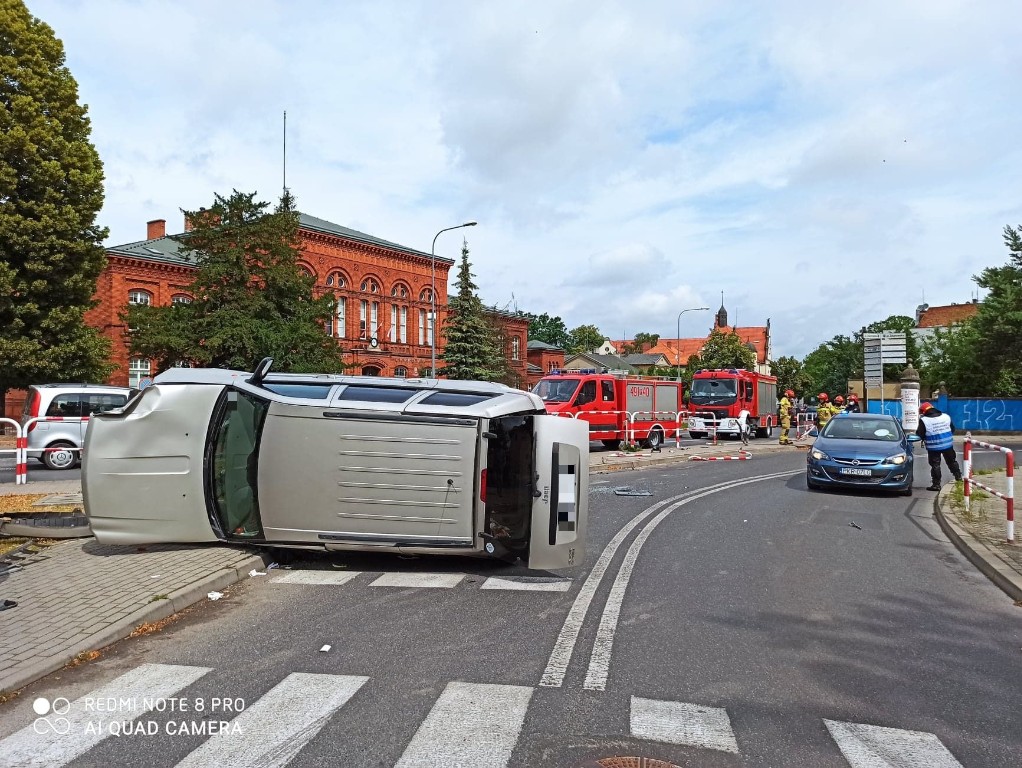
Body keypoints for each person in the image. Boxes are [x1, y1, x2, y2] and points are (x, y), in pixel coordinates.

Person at [916, 401, 962, 491]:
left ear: (923, 411)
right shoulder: (945, 416)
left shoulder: (924, 420)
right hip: (947, 445)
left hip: (933, 447)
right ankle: (958, 477)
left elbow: (920, 433)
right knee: (952, 461)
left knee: (935, 465)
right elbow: (952, 429)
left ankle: (936, 485)